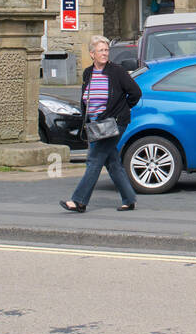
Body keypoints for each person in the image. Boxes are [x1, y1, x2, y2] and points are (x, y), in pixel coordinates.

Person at [61, 36, 142, 213]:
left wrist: (122, 108)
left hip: (115, 123)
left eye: (106, 50)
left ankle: (79, 201)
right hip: (96, 125)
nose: (105, 54)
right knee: (112, 161)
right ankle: (129, 199)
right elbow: (86, 99)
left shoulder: (117, 71)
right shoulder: (88, 73)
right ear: (92, 54)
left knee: (94, 159)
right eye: (101, 51)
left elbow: (135, 92)